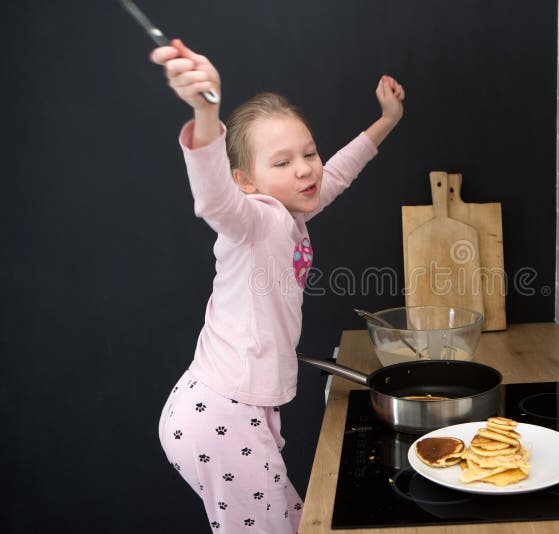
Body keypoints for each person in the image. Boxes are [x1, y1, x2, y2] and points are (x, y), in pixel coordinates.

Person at [151, 39, 404, 533]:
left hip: (234, 409)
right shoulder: (253, 220)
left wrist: (387, 119)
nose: (306, 168)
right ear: (245, 180)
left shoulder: (291, 206)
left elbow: (340, 171)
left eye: (308, 152)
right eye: (283, 162)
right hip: (222, 414)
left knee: (291, 521)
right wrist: (206, 112)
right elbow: (214, 199)